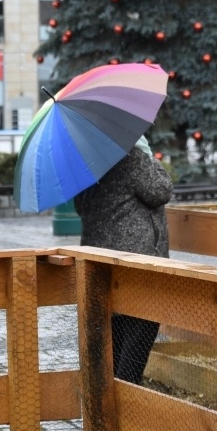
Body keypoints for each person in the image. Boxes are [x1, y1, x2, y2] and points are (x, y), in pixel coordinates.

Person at [75, 137, 172, 383]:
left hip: (100, 259)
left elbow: (80, 206)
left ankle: (112, 395)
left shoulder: (88, 163)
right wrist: (151, 159)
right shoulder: (132, 157)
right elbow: (160, 191)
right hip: (136, 260)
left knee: (115, 330)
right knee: (143, 321)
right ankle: (127, 392)